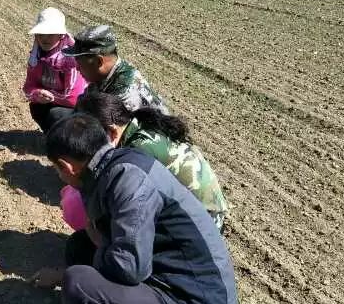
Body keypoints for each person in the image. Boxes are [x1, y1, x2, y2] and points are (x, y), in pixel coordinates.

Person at [31, 114, 237, 304]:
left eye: (55, 168)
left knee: (79, 283)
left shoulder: (129, 181)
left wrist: (66, 274)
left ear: (66, 166)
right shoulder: (118, 164)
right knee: (80, 247)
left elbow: (130, 268)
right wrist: (98, 242)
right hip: (178, 289)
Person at [75, 89, 229, 230]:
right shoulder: (138, 127)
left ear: (111, 130)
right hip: (203, 211)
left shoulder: (137, 150)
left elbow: (137, 206)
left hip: (203, 223)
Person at [62, 25, 168, 113]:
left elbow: (116, 134)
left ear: (99, 62)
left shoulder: (125, 94)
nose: (77, 68)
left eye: (80, 63)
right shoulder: (105, 75)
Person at [22, 7, 87, 132]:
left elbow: (74, 98)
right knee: (36, 107)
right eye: (41, 34)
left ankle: (71, 144)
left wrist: (48, 95)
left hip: (81, 108)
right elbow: (28, 88)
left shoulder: (70, 59)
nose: (44, 39)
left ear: (61, 35)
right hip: (58, 100)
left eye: (50, 34)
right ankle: (55, 138)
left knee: (56, 114)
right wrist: (37, 94)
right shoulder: (36, 57)